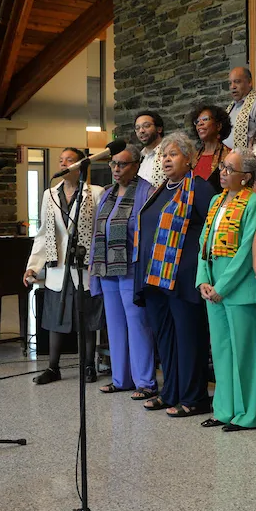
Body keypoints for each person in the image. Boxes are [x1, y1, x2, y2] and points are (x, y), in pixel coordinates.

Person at [134, 132, 216, 417]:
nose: (167, 159)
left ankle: (194, 397)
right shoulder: (160, 189)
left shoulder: (199, 188)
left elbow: (212, 229)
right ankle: (170, 392)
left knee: (188, 338)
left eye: (173, 154)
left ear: (189, 158)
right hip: (156, 278)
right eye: (164, 155)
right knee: (165, 339)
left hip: (183, 278)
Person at [24, 148, 106, 386]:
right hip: (58, 266)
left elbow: (100, 233)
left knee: (88, 318)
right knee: (54, 317)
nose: (63, 164)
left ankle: (89, 365)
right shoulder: (49, 194)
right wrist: (33, 266)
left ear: (80, 165)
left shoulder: (96, 193)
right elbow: (43, 234)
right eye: (61, 160)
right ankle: (53, 367)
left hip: (85, 265)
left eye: (68, 160)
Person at [197, 148, 256, 431]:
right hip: (212, 286)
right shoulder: (216, 200)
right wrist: (203, 280)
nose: (222, 173)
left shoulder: (254, 203)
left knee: (245, 353)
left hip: (239, 288)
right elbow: (204, 242)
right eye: (223, 167)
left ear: (246, 177)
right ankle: (224, 409)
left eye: (229, 169)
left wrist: (222, 286)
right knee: (222, 351)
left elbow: (247, 249)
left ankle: (249, 413)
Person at [89, 147, 158, 398]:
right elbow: (97, 232)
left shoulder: (146, 191)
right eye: (113, 164)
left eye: (122, 164)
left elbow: (150, 232)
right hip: (107, 268)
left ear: (136, 165)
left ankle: (145, 382)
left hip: (131, 268)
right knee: (115, 326)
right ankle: (121, 379)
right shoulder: (106, 194)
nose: (116, 169)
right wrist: (92, 269)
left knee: (137, 325)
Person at [189, 104, 232, 187]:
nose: (200, 124)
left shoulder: (229, 155)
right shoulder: (193, 158)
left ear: (218, 126)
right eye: (197, 121)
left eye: (205, 119)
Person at [225, 67, 256, 149]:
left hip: (246, 158)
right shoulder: (230, 107)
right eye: (230, 83)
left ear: (249, 82)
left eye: (237, 82)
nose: (233, 87)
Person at [134, 111, 167, 187]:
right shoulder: (139, 157)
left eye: (146, 126)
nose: (141, 131)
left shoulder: (168, 153)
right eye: (137, 128)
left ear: (159, 129)